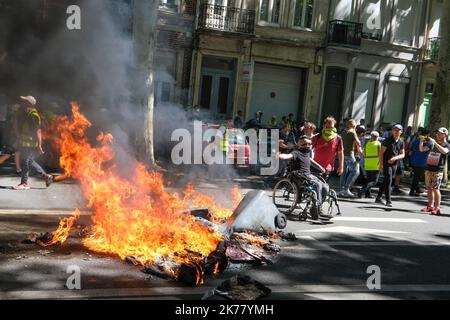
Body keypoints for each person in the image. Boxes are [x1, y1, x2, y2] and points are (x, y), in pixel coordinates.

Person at [278, 135, 329, 219]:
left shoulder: (306, 153)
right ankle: (318, 208)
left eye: (309, 144)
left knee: (325, 186)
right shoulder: (296, 153)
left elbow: (311, 160)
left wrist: (320, 167)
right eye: (305, 144)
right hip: (300, 176)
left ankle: (316, 206)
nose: (308, 146)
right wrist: (279, 155)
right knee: (318, 185)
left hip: (309, 175)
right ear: (300, 145)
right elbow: (288, 156)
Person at [13, 96, 53, 190]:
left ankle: (24, 183)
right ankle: (46, 177)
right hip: (25, 143)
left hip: (30, 144)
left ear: (29, 104)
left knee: (25, 162)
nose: (23, 103)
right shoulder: (28, 114)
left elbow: (38, 131)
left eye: (25, 102)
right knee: (30, 161)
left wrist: (39, 145)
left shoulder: (33, 116)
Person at [419, 128, 450, 215]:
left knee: (436, 189)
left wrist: (435, 143)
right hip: (429, 168)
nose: (437, 135)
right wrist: (421, 141)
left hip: (438, 170)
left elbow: (444, 152)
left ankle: (437, 208)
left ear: (445, 135)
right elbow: (422, 149)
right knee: (429, 188)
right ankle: (430, 206)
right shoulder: (432, 144)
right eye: (437, 133)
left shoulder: (447, 145)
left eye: (440, 133)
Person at [375, 124, 405, 207]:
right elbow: (381, 153)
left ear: (401, 132)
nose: (396, 131)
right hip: (386, 164)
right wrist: (381, 164)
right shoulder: (387, 140)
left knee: (386, 180)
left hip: (394, 164)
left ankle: (378, 197)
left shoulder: (401, 142)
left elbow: (403, 155)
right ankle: (388, 200)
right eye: (394, 130)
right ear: (392, 131)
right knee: (389, 181)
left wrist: (395, 158)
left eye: (398, 130)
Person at [311, 116, 344, 181]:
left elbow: (341, 153)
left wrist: (341, 166)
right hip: (315, 167)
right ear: (323, 126)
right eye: (327, 127)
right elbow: (308, 149)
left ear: (334, 127)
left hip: (328, 168)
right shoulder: (317, 137)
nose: (329, 129)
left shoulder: (338, 138)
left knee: (324, 188)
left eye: (331, 127)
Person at [339, 119, 362, 197]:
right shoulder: (352, 132)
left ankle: (341, 189)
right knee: (355, 172)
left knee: (343, 173)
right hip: (349, 155)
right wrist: (360, 152)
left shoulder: (343, 133)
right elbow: (358, 143)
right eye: (355, 124)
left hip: (342, 155)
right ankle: (346, 189)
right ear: (353, 125)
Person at [358, 131, 381, 198]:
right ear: (377, 137)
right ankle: (362, 190)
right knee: (374, 181)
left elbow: (363, 154)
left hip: (367, 164)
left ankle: (368, 194)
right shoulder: (378, 144)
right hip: (375, 164)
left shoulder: (367, 144)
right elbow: (380, 155)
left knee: (369, 180)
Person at [409, 128, 429, 196]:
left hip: (414, 160)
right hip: (421, 162)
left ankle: (417, 188)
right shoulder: (427, 142)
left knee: (416, 176)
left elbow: (411, 148)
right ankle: (412, 191)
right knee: (417, 177)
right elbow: (424, 150)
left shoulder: (416, 140)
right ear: (427, 135)